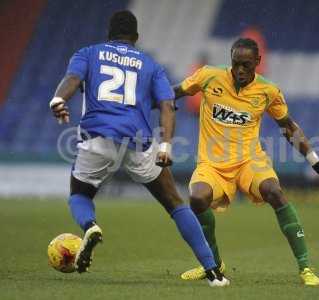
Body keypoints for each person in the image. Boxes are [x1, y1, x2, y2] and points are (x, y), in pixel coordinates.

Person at [49, 10, 229, 287]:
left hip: (98, 137)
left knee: (80, 194)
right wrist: (166, 144)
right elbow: (168, 105)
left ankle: (90, 226)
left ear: (109, 33)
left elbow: (72, 80)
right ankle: (213, 272)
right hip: (139, 142)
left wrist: (58, 100)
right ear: (135, 37)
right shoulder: (151, 65)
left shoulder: (88, 53)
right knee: (174, 203)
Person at [173, 38, 319, 286]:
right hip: (213, 164)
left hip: (249, 161)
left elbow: (288, 127)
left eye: (246, 65)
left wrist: (316, 163)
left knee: (274, 191)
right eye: (236, 64)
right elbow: (172, 92)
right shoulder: (209, 76)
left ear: (257, 62)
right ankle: (213, 265)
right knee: (197, 198)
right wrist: (142, 99)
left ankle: (306, 267)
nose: (240, 70)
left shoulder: (268, 91)